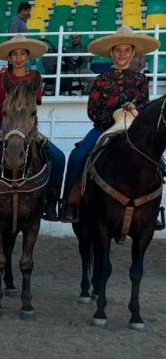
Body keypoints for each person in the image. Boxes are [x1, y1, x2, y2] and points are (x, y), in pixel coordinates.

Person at [60, 28, 160, 223]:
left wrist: (133, 110)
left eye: (126, 50)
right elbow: (92, 110)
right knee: (78, 156)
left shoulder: (140, 80)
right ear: (112, 53)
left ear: (132, 53)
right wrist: (113, 117)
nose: (122, 54)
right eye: (118, 50)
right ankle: (69, 202)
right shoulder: (102, 80)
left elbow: (144, 107)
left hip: (132, 130)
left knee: (157, 162)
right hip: (103, 129)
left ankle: (153, 209)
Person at [0, 35, 66, 221]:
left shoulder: (34, 78)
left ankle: (52, 202)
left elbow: (33, 106)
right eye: (14, 54)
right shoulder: (1, 78)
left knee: (58, 157)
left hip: (28, 129)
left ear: (28, 57)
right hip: (3, 127)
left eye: (22, 54)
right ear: (9, 58)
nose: (18, 58)